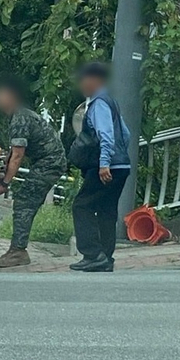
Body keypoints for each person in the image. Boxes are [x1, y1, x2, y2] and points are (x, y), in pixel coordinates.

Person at [0, 76, 67, 268]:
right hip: (46, 162)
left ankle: (18, 252)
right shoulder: (19, 116)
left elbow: (17, 156)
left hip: (49, 163)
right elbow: (12, 154)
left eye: (0, 94)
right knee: (26, 200)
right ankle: (17, 249)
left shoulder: (20, 118)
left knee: (24, 201)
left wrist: (5, 184)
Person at [69, 62, 131, 273]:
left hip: (106, 167)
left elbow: (106, 136)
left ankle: (93, 254)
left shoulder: (99, 103)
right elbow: (126, 134)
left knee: (81, 205)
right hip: (122, 165)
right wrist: (119, 157)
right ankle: (106, 257)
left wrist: (105, 163)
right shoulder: (111, 101)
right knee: (106, 210)